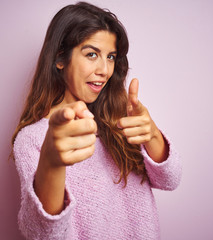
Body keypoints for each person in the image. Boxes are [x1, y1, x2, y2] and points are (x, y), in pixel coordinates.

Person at [11, 2, 181, 239]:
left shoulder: (120, 118)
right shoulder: (32, 139)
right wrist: (51, 162)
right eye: (92, 54)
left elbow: (170, 180)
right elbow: (43, 233)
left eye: (110, 57)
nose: (105, 69)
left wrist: (152, 133)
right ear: (60, 58)